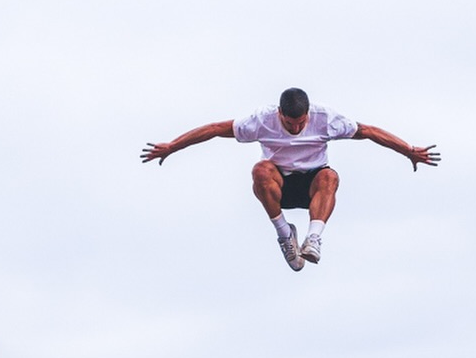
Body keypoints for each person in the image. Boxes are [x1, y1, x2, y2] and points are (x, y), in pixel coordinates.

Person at [142, 87, 440, 270]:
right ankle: (285, 234)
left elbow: (370, 132)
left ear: (308, 114)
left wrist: (409, 151)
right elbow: (215, 128)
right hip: (279, 184)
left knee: (330, 176)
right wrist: (172, 146)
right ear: (279, 114)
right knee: (260, 169)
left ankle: (313, 238)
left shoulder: (326, 118)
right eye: (289, 123)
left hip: (312, 184)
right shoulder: (261, 120)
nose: (295, 128)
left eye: (300, 123)